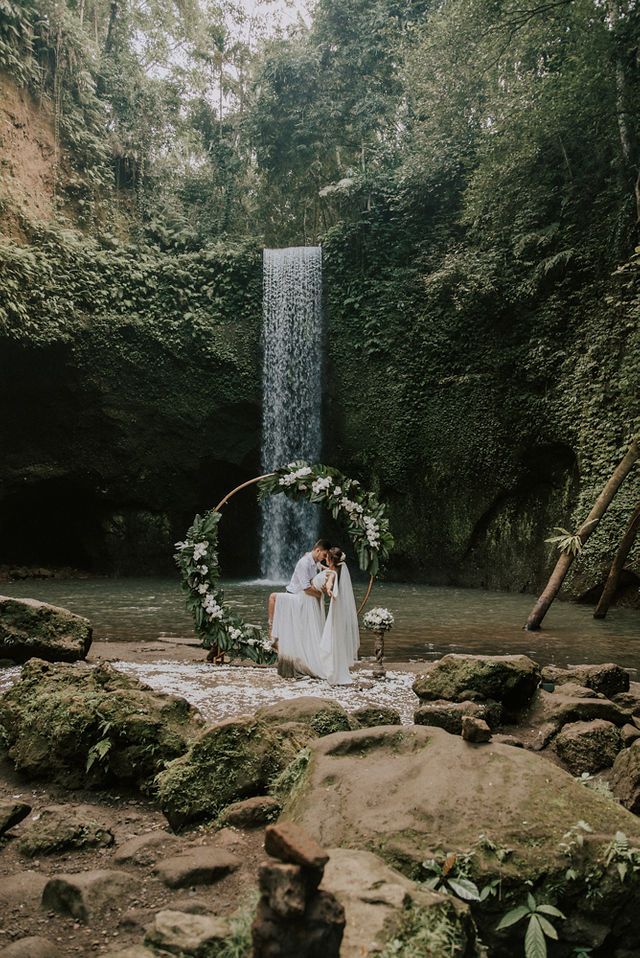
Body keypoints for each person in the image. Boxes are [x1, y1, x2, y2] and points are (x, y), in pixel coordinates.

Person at [269, 539, 331, 678]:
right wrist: (321, 595)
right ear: (317, 550)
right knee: (273, 597)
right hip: (294, 597)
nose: (325, 558)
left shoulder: (315, 562)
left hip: (304, 599)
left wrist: (332, 570)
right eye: (324, 554)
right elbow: (306, 588)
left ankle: (298, 662)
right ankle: (272, 633)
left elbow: (322, 569)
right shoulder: (304, 563)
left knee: (301, 634)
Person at [313, 547, 359, 685]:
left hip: (335, 609)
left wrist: (328, 589)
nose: (325, 559)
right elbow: (327, 572)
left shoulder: (333, 573)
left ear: (331, 560)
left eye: (327, 557)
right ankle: (336, 670)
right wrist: (318, 565)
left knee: (331, 637)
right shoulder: (337, 570)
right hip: (337, 608)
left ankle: (333, 672)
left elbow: (329, 582)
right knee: (335, 637)